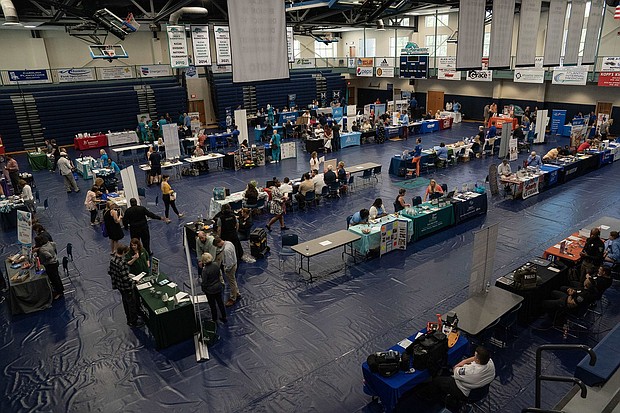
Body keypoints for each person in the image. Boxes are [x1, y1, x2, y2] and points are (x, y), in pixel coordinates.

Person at [422, 346, 495, 404]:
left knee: (437, 381)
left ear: (478, 360)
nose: (473, 357)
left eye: (475, 356)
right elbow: (475, 359)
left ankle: (429, 396)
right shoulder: (490, 363)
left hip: (463, 391)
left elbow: (455, 370)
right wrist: (465, 361)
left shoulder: (469, 372)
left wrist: (460, 364)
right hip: (481, 390)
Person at [108, 245, 144, 328]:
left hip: (119, 286)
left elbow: (111, 272)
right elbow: (125, 279)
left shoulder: (113, 259)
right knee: (131, 304)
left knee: (125, 302)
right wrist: (134, 281)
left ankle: (129, 318)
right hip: (126, 287)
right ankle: (133, 321)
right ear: (123, 252)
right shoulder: (122, 263)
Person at [200, 252, 227, 323]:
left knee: (213, 305)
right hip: (218, 287)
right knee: (220, 303)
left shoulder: (205, 270)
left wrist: (203, 288)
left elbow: (204, 282)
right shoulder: (216, 265)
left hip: (210, 290)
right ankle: (224, 316)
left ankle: (214, 319)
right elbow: (219, 275)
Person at [213, 237, 240, 307]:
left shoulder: (226, 250)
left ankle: (233, 298)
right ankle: (237, 293)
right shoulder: (229, 243)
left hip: (230, 267)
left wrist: (226, 269)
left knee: (232, 283)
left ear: (218, 243)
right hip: (235, 263)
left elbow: (229, 263)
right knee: (233, 280)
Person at [35, 234, 63, 300]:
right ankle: (60, 289)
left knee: (54, 279)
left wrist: (47, 258)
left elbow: (48, 255)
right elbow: (54, 244)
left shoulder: (42, 250)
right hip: (55, 262)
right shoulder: (49, 243)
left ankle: (59, 292)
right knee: (57, 277)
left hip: (50, 265)